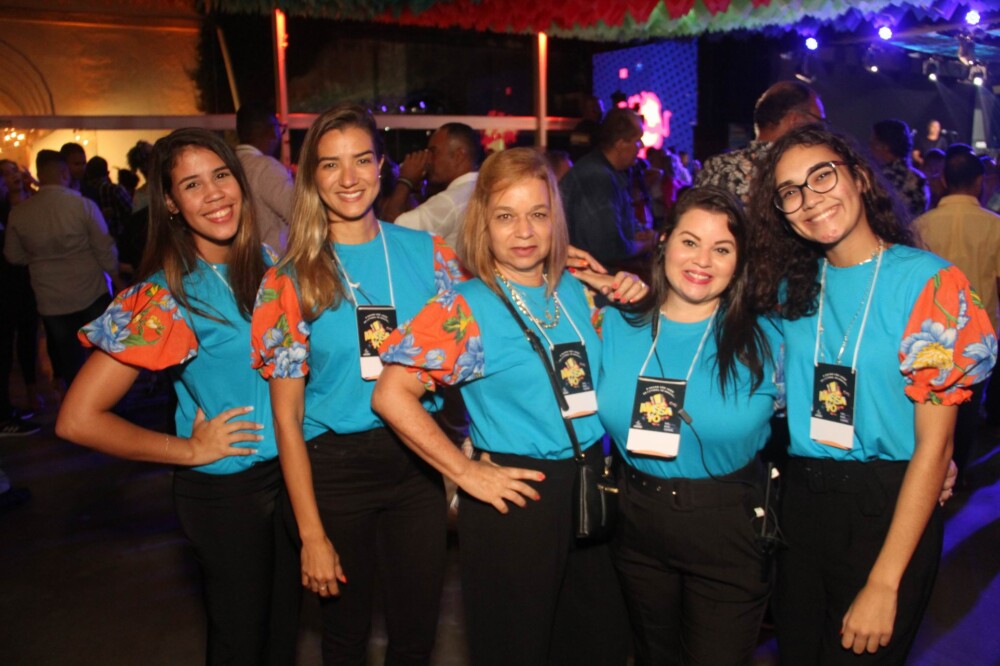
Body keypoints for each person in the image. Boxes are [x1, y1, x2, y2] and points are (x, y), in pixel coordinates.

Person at [372, 147, 644, 666]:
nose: (524, 231)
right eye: (505, 216)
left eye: (537, 214)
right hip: (518, 498)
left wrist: (628, 294)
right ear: (484, 223)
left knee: (600, 644)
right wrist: (464, 473)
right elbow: (390, 394)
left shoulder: (572, 288)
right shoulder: (464, 307)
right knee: (517, 648)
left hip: (592, 488)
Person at [747, 124, 995, 663]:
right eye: (790, 191)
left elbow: (935, 447)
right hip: (802, 506)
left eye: (822, 176)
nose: (810, 198)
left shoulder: (930, 283)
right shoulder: (789, 290)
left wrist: (884, 583)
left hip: (888, 511)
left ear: (859, 177)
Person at [55, 128, 300, 666]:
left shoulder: (266, 263)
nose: (214, 194)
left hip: (289, 478)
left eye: (221, 175)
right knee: (241, 643)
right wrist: (187, 449)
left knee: (282, 635)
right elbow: (77, 418)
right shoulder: (167, 293)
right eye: (192, 185)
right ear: (170, 203)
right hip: (228, 494)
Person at [250, 103, 464, 665]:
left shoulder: (431, 256)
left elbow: (485, 328)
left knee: (416, 636)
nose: (349, 178)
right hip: (334, 473)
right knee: (344, 638)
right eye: (330, 164)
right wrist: (310, 533)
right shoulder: (290, 278)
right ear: (311, 177)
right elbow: (286, 419)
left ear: (381, 165)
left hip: (415, 463)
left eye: (361, 160)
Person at [594, 186, 781, 665]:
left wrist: (932, 450)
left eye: (722, 249)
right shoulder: (614, 324)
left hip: (728, 529)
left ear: (740, 262)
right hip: (635, 523)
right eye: (690, 241)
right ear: (664, 243)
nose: (703, 260)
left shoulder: (769, 340)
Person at [914, 146, 1000, 480]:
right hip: (979, 334)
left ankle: (931, 470)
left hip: (928, 333)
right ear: (979, 181)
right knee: (967, 409)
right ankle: (957, 471)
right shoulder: (994, 226)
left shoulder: (921, 225)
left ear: (944, 180)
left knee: (929, 405)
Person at [3, 150, 118, 393]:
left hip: (51, 298)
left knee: (70, 359)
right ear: (64, 173)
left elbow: (13, 255)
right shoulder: (82, 206)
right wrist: (116, 277)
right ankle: (109, 402)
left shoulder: (20, 213)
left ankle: (79, 404)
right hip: (91, 291)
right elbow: (104, 248)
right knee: (105, 354)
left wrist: (37, 259)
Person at [560, 106, 654, 275]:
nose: (641, 146)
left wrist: (633, 234)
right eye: (637, 140)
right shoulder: (598, 178)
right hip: (588, 280)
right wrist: (647, 244)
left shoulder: (604, 172)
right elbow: (608, 248)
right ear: (620, 144)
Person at [697, 80, 825, 203]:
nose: (823, 131)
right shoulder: (803, 172)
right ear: (795, 120)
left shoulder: (717, 167)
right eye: (819, 121)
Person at [381, 122, 482, 250]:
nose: (428, 160)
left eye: (433, 152)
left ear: (458, 156)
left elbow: (390, 233)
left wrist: (405, 180)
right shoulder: (481, 189)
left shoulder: (450, 201)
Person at [235, 102, 294, 253]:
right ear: (271, 130)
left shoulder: (229, 165)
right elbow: (299, 214)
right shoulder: (266, 167)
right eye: (279, 129)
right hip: (274, 263)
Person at [870, 119, 929, 218]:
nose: (870, 148)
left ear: (884, 146)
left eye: (873, 143)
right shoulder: (919, 179)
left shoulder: (879, 178)